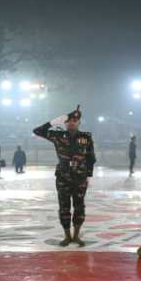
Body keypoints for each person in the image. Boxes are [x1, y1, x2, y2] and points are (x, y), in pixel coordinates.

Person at [33, 105, 96, 247]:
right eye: (68, 120)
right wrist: (53, 122)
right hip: (63, 178)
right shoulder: (58, 135)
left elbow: (91, 157)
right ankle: (67, 236)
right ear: (65, 122)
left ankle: (76, 236)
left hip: (80, 178)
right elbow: (37, 131)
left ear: (79, 122)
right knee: (64, 207)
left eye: (74, 120)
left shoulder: (86, 137)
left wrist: (89, 175)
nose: (71, 122)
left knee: (79, 207)